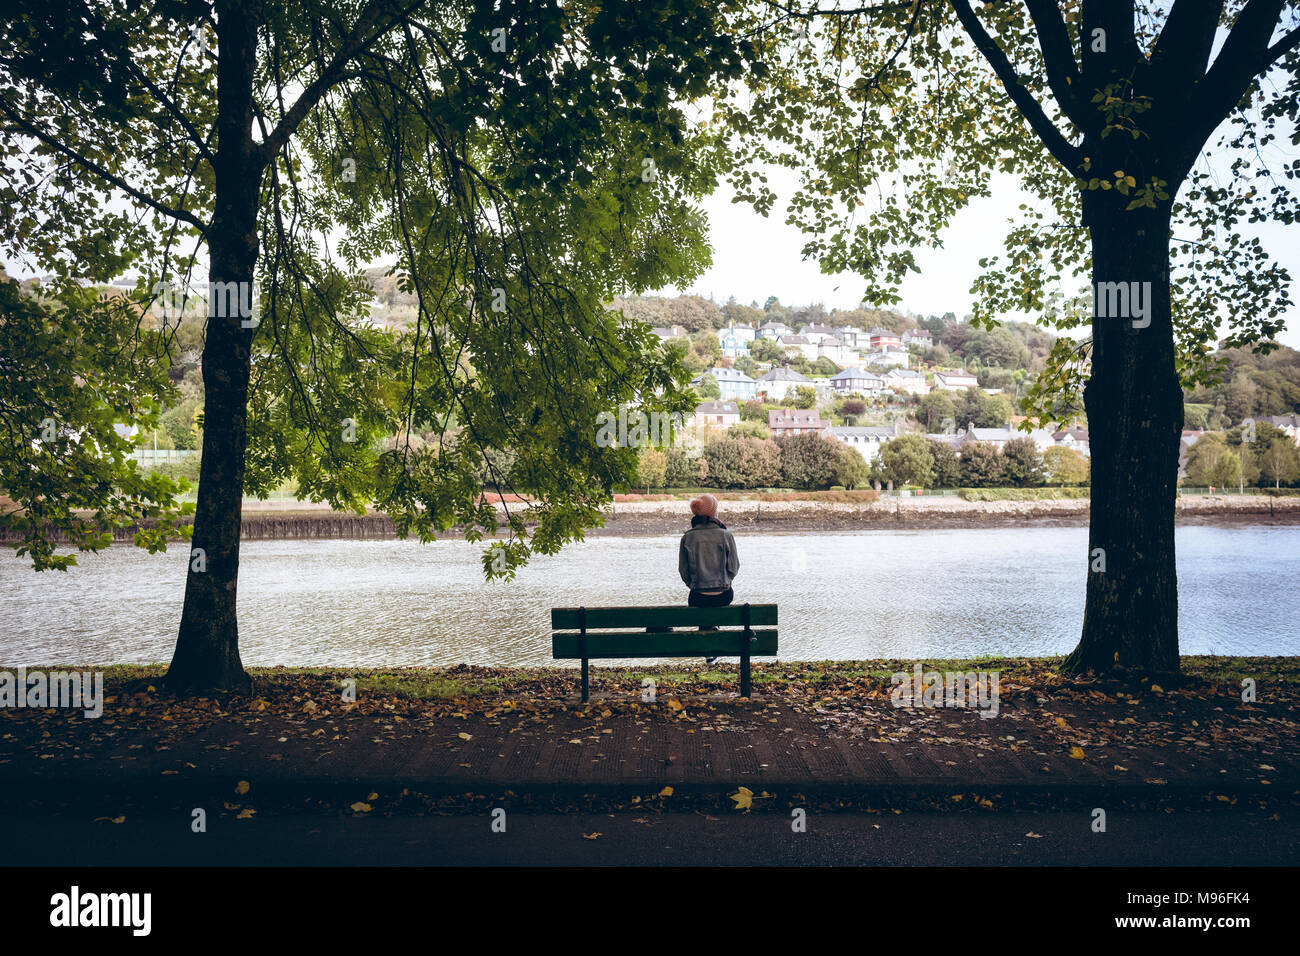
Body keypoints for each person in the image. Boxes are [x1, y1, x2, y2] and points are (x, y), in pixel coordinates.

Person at [677, 495, 740, 662]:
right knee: (720, 597)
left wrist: (694, 584)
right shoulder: (726, 535)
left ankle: (708, 646)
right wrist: (724, 581)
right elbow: (734, 568)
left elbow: (683, 571)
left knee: (701, 602)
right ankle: (714, 632)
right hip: (723, 596)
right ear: (714, 513)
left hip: (698, 596)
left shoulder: (688, 537)